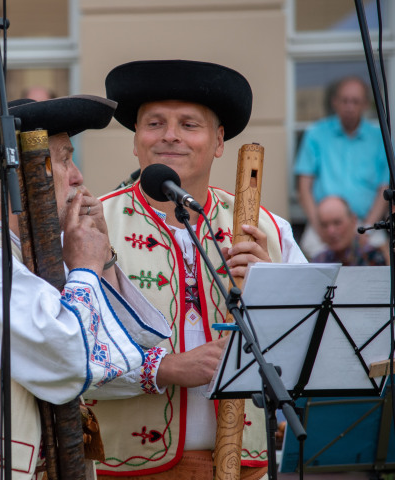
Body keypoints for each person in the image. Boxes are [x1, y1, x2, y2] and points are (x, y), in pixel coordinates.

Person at [0, 95, 173, 479]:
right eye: (63, 160)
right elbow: (68, 359)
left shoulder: (22, 242)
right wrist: (86, 270)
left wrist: (102, 258)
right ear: (18, 175)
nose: (77, 175)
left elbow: (135, 343)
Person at [90, 60, 308, 479]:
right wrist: (164, 368)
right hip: (127, 471)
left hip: (246, 466)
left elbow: (308, 351)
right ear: (136, 139)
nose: (170, 135)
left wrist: (274, 291)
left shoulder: (268, 228)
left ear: (219, 140)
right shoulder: (90, 226)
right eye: (155, 123)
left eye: (189, 124)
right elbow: (65, 359)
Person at [294, 76, 389, 259]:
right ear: (335, 102)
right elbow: (304, 187)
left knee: (382, 266)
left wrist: (366, 230)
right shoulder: (316, 134)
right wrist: (319, 225)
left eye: (355, 101)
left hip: (365, 221)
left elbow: (383, 189)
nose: (349, 106)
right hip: (324, 223)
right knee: (308, 268)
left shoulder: (379, 138)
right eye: (345, 101)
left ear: (365, 104)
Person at [312, 195, 387, 266]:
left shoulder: (372, 256)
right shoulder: (319, 262)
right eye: (324, 225)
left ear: (353, 221)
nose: (331, 231)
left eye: (337, 223)